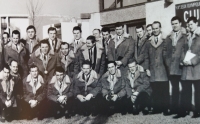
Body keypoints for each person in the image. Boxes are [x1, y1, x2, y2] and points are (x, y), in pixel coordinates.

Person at [176, 16, 200, 118]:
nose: (190, 26)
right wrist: (182, 60)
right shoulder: (186, 37)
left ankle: (197, 111)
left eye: (191, 24)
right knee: (185, 90)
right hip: (186, 68)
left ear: (196, 24)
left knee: (198, 90)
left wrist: (192, 61)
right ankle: (183, 110)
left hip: (196, 68)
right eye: (188, 25)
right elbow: (183, 50)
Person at [164, 16, 187, 116]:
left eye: (176, 23)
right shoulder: (169, 37)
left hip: (182, 66)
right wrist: (168, 62)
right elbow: (165, 51)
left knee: (184, 88)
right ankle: (174, 108)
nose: (174, 25)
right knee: (174, 88)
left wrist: (183, 61)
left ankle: (183, 110)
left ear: (180, 23)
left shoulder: (185, 36)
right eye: (173, 24)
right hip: (172, 67)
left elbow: (187, 49)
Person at [144, 21, 169, 115]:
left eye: (156, 28)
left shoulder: (165, 40)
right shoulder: (148, 42)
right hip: (153, 69)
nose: (155, 30)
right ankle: (157, 108)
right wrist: (147, 69)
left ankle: (165, 108)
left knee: (164, 89)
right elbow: (146, 57)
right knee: (155, 90)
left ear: (160, 28)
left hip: (163, 69)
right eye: (153, 28)